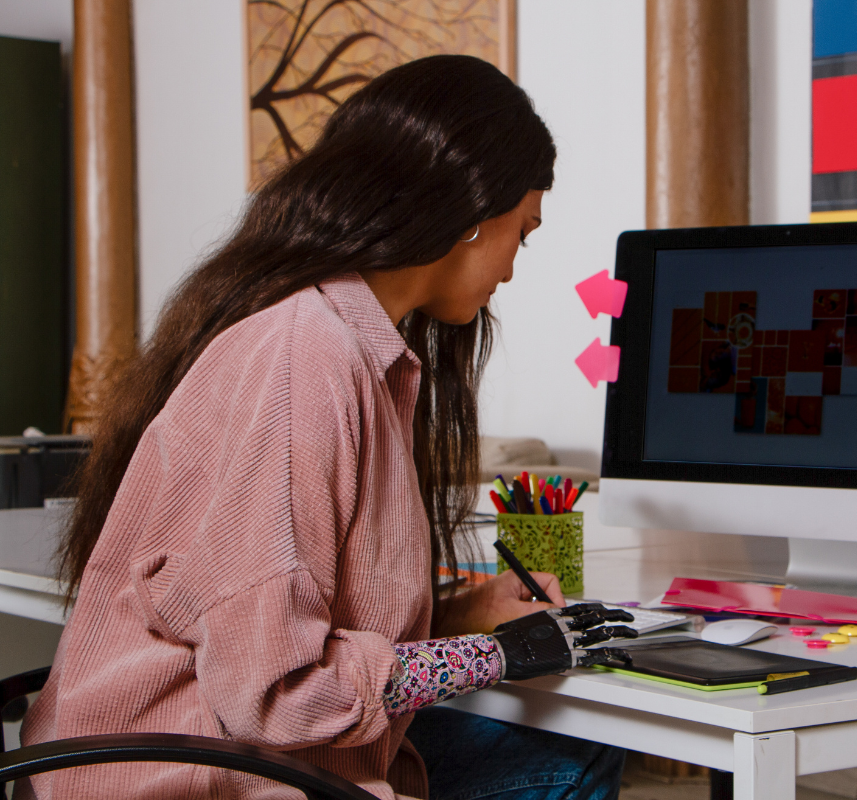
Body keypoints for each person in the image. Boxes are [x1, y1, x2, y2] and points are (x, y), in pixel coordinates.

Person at [17, 55, 631, 800]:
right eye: (523, 233)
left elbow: (276, 617)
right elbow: (277, 691)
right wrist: (494, 656)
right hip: (194, 780)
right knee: (578, 757)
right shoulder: (305, 360)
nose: (512, 266)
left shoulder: (345, 348)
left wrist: (456, 615)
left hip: (233, 755)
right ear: (473, 209)